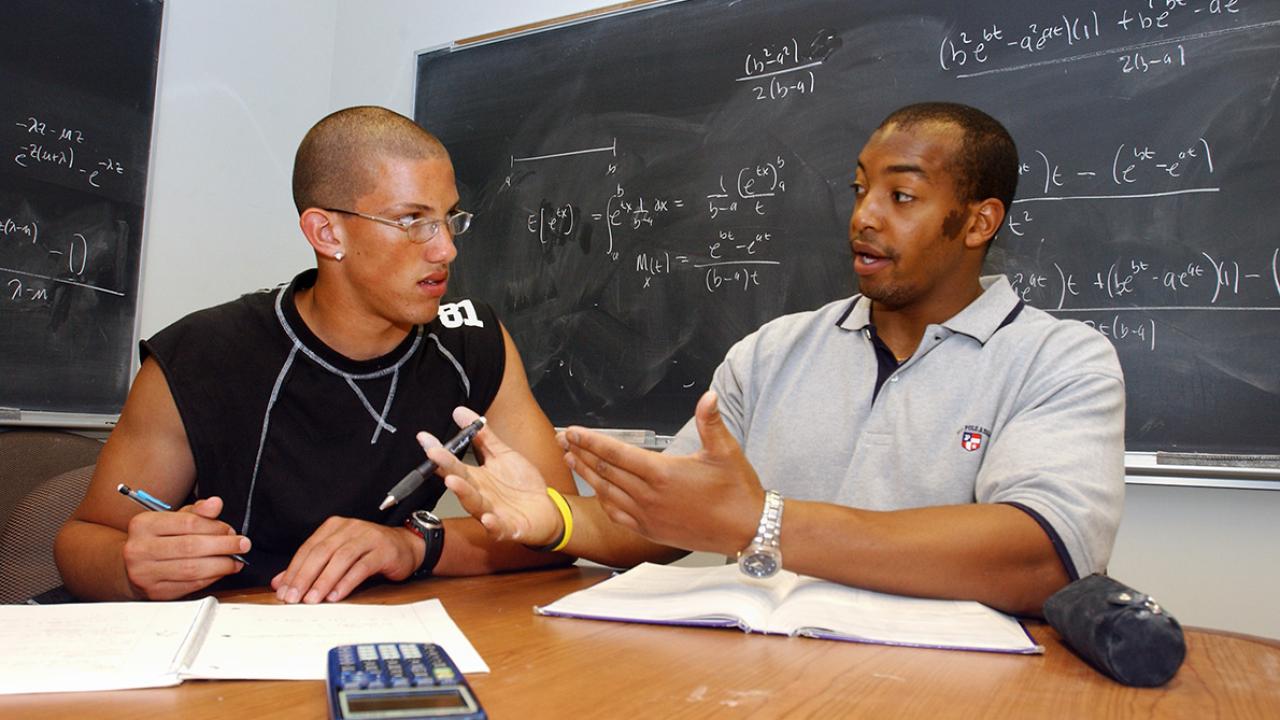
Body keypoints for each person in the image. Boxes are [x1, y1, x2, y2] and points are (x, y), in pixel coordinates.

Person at [427, 102, 1126, 616]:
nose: (864, 217)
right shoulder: (772, 353)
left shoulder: (1059, 361)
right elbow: (668, 517)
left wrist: (760, 523)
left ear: (979, 221)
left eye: (901, 196)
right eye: (860, 190)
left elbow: (1040, 554)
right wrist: (556, 519)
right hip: (762, 681)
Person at [54, 106, 575, 604]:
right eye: (413, 220)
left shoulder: (473, 340)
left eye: (448, 219)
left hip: (374, 629)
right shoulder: (200, 355)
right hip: (225, 638)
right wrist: (132, 567)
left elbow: (564, 526)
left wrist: (413, 546)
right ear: (327, 233)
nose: (445, 249)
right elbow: (81, 541)